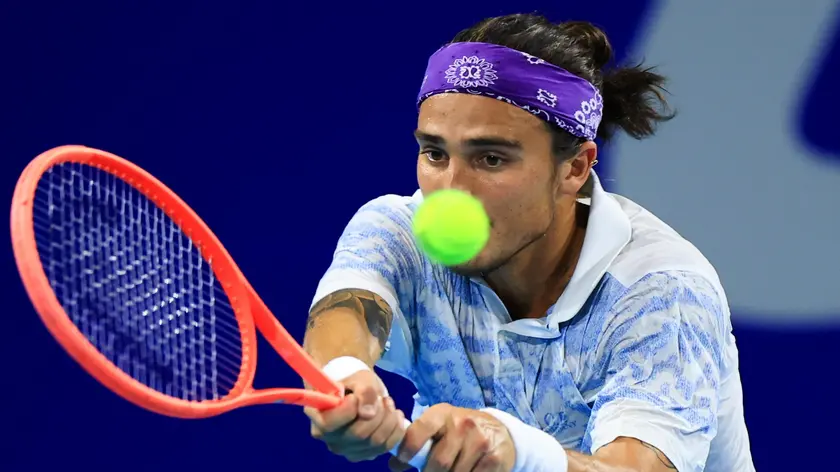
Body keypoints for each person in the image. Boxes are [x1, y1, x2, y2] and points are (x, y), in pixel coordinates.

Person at [302, 13, 754, 472]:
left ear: (575, 168)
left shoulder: (660, 289)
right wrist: (347, 378)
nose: (451, 190)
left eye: (491, 158)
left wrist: (520, 455)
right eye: (435, 153)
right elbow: (346, 311)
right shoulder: (400, 232)